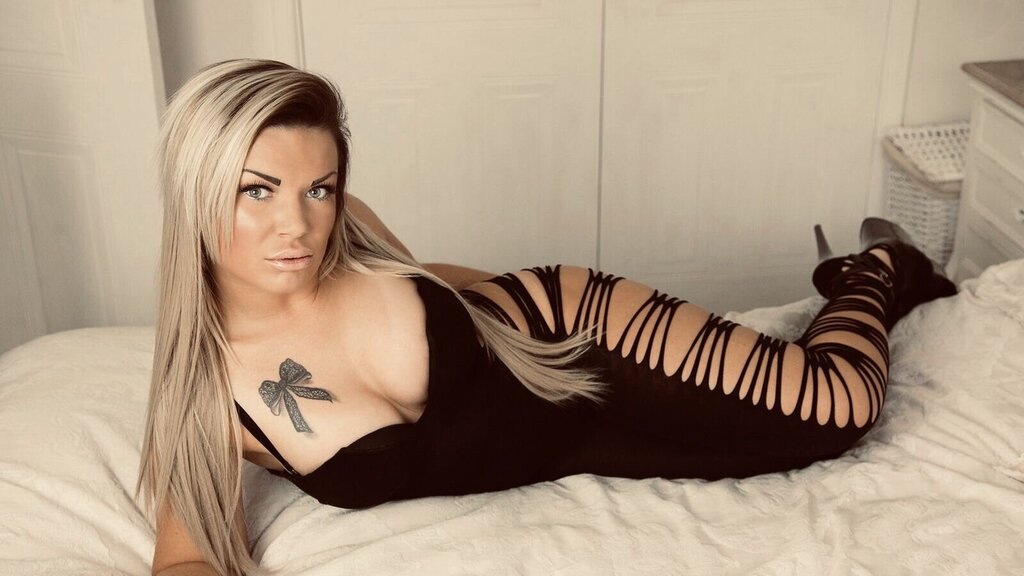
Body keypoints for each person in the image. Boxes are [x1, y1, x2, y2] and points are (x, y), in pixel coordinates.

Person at [138, 59, 957, 576]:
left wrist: (659, 330)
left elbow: (434, 285)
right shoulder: (209, 394)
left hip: (575, 331)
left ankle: (876, 266)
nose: (297, 224)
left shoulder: (345, 227)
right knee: (767, 448)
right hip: (568, 444)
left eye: (317, 187)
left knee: (838, 408)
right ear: (194, 191)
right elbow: (182, 560)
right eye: (257, 191)